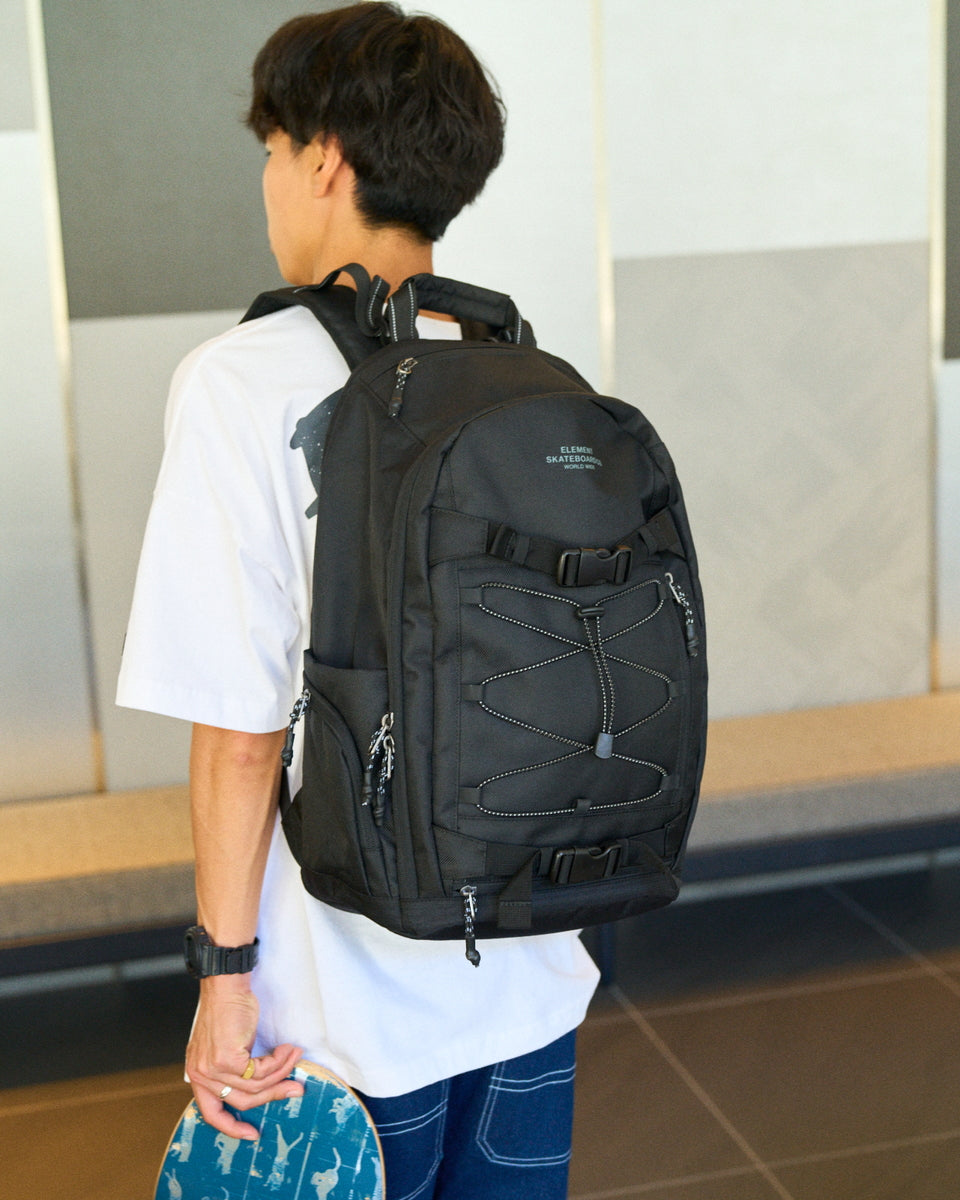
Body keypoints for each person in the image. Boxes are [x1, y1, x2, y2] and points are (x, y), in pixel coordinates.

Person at [117, 5, 599, 1196]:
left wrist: (224, 978)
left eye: (274, 151)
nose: (270, 183)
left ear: (325, 158)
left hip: (340, 1024)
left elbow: (240, 734)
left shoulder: (239, 384)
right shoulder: (527, 366)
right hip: (531, 978)